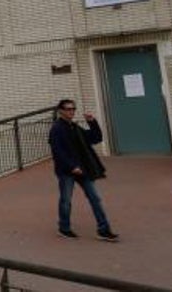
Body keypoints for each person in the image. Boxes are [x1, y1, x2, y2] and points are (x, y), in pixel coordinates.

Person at [47, 99, 118, 241]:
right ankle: (64, 228)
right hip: (67, 171)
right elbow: (58, 152)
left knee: (95, 198)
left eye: (73, 109)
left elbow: (95, 138)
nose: (71, 111)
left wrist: (92, 122)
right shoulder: (57, 129)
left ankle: (103, 230)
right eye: (68, 109)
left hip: (83, 170)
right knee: (66, 200)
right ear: (60, 111)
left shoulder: (74, 127)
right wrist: (72, 167)